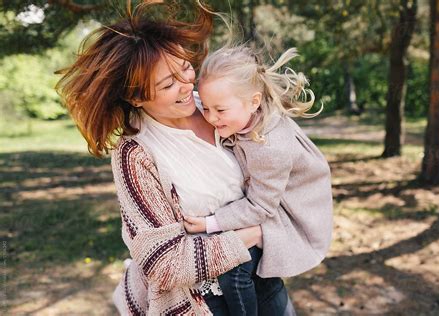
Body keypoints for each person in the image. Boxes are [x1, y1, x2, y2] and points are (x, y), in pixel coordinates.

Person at [56, 1, 295, 315]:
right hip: (206, 299)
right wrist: (254, 234)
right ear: (136, 97)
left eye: (185, 67)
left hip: (264, 275)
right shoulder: (136, 154)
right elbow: (164, 262)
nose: (187, 86)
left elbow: (283, 166)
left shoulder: (219, 105)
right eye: (168, 84)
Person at [183, 45, 333, 315]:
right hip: (268, 201)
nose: (211, 117)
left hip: (289, 212)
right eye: (206, 107)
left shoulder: (269, 146)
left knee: (234, 271)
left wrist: (211, 222)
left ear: (254, 101)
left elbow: (261, 207)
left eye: (219, 110)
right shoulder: (240, 114)